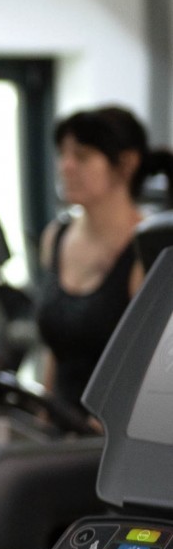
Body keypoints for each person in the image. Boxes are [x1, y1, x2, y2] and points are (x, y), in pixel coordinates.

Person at [35, 105, 173, 411]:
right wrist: (44, 413)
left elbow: (155, 375)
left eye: (82, 156)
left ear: (126, 164)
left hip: (110, 427)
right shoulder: (55, 236)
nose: (65, 166)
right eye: (63, 154)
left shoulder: (147, 252)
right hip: (60, 425)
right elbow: (55, 351)